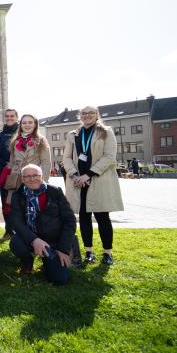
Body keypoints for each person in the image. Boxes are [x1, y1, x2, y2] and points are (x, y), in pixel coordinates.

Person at [63, 105, 124, 265]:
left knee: (102, 217)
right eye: (84, 113)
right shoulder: (73, 134)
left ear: (97, 115)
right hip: (78, 183)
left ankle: (107, 252)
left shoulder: (106, 131)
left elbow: (109, 157)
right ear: (79, 116)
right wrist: (75, 175)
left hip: (98, 180)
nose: (87, 116)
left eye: (91, 113)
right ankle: (89, 251)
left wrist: (88, 174)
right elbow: (67, 158)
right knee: (83, 217)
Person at [9, 164, 75, 285]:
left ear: (42, 177)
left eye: (35, 175)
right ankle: (28, 261)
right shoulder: (17, 195)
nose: (31, 179)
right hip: (30, 239)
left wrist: (63, 249)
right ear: (22, 179)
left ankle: (48, 260)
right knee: (16, 243)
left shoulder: (55, 192)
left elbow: (70, 221)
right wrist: (34, 240)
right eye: (27, 176)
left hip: (54, 241)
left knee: (59, 279)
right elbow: (17, 223)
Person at [3, 113, 52, 204]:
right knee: (17, 208)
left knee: (33, 207)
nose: (27, 125)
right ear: (20, 125)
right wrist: (6, 177)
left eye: (30, 122)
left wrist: (43, 182)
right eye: (24, 123)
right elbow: (12, 162)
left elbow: (46, 163)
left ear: (35, 124)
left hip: (33, 178)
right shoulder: (15, 140)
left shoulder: (41, 140)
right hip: (16, 178)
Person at [0, 108, 19, 237]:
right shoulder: (0, 135)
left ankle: (20, 230)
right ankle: (9, 230)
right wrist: (5, 165)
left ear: (16, 117)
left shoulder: (22, 133)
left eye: (12, 116)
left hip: (21, 173)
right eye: (7, 116)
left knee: (19, 202)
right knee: (6, 202)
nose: (9, 118)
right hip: (5, 172)